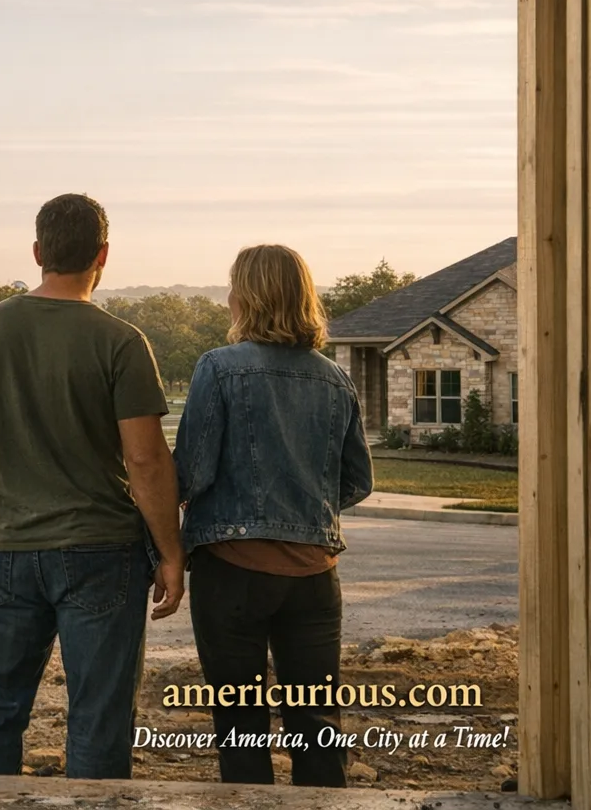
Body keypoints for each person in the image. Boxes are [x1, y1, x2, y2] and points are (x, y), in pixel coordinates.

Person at [0, 193, 185, 780]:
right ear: (103, 255)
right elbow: (145, 461)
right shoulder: (121, 341)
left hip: (8, 553)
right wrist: (171, 553)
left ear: (38, 251)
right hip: (103, 553)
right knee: (98, 718)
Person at [174, 244, 374, 787]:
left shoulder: (218, 368)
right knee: (317, 724)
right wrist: (304, 509)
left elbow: (190, 472)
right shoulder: (334, 377)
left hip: (233, 571)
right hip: (314, 576)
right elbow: (358, 480)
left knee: (241, 725)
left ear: (247, 296)